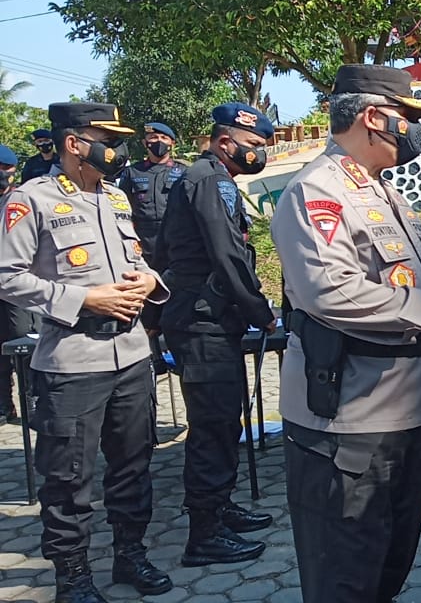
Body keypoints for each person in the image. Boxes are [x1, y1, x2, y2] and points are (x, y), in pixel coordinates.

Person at [272, 64, 421, 603]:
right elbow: (327, 292)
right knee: (345, 577)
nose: (414, 131)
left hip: (404, 411)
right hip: (348, 421)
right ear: (373, 116)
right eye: (407, 118)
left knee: (388, 565)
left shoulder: (383, 192)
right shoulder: (318, 191)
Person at [0, 102, 173, 600]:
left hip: (132, 355)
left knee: (133, 466)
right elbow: (9, 276)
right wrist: (81, 299)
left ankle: (130, 557)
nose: (117, 151)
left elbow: (137, 258)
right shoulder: (31, 200)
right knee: (68, 478)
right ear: (74, 144)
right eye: (107, 140)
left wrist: (150, 282)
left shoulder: (116, 198)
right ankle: (72, 577)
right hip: (73, 362)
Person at [155, 103, 277, 567]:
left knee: (226, 421)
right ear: (225, 142)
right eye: (253, 147)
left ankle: (220, 508)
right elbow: (227, 255)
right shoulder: (210, 180)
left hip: (207, 317)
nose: (258, 156)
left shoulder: (203, 177)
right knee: (212, 426)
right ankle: (203, 534)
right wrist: (260, 310)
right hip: (201, 319)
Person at [116, 121, 187, 264]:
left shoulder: (184, 172)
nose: (159, 141)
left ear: (172, 143)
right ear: (145, 142)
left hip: (176, 237)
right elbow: (121, 205)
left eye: (163, 138)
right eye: (153, 137)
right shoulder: (132, 172)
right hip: (143, 239)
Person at [0, 142, 35, 424]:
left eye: (5, 169)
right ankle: (4, 405)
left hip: (18, 288)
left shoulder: (23, 200)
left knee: (22, 341)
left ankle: (33, 401)